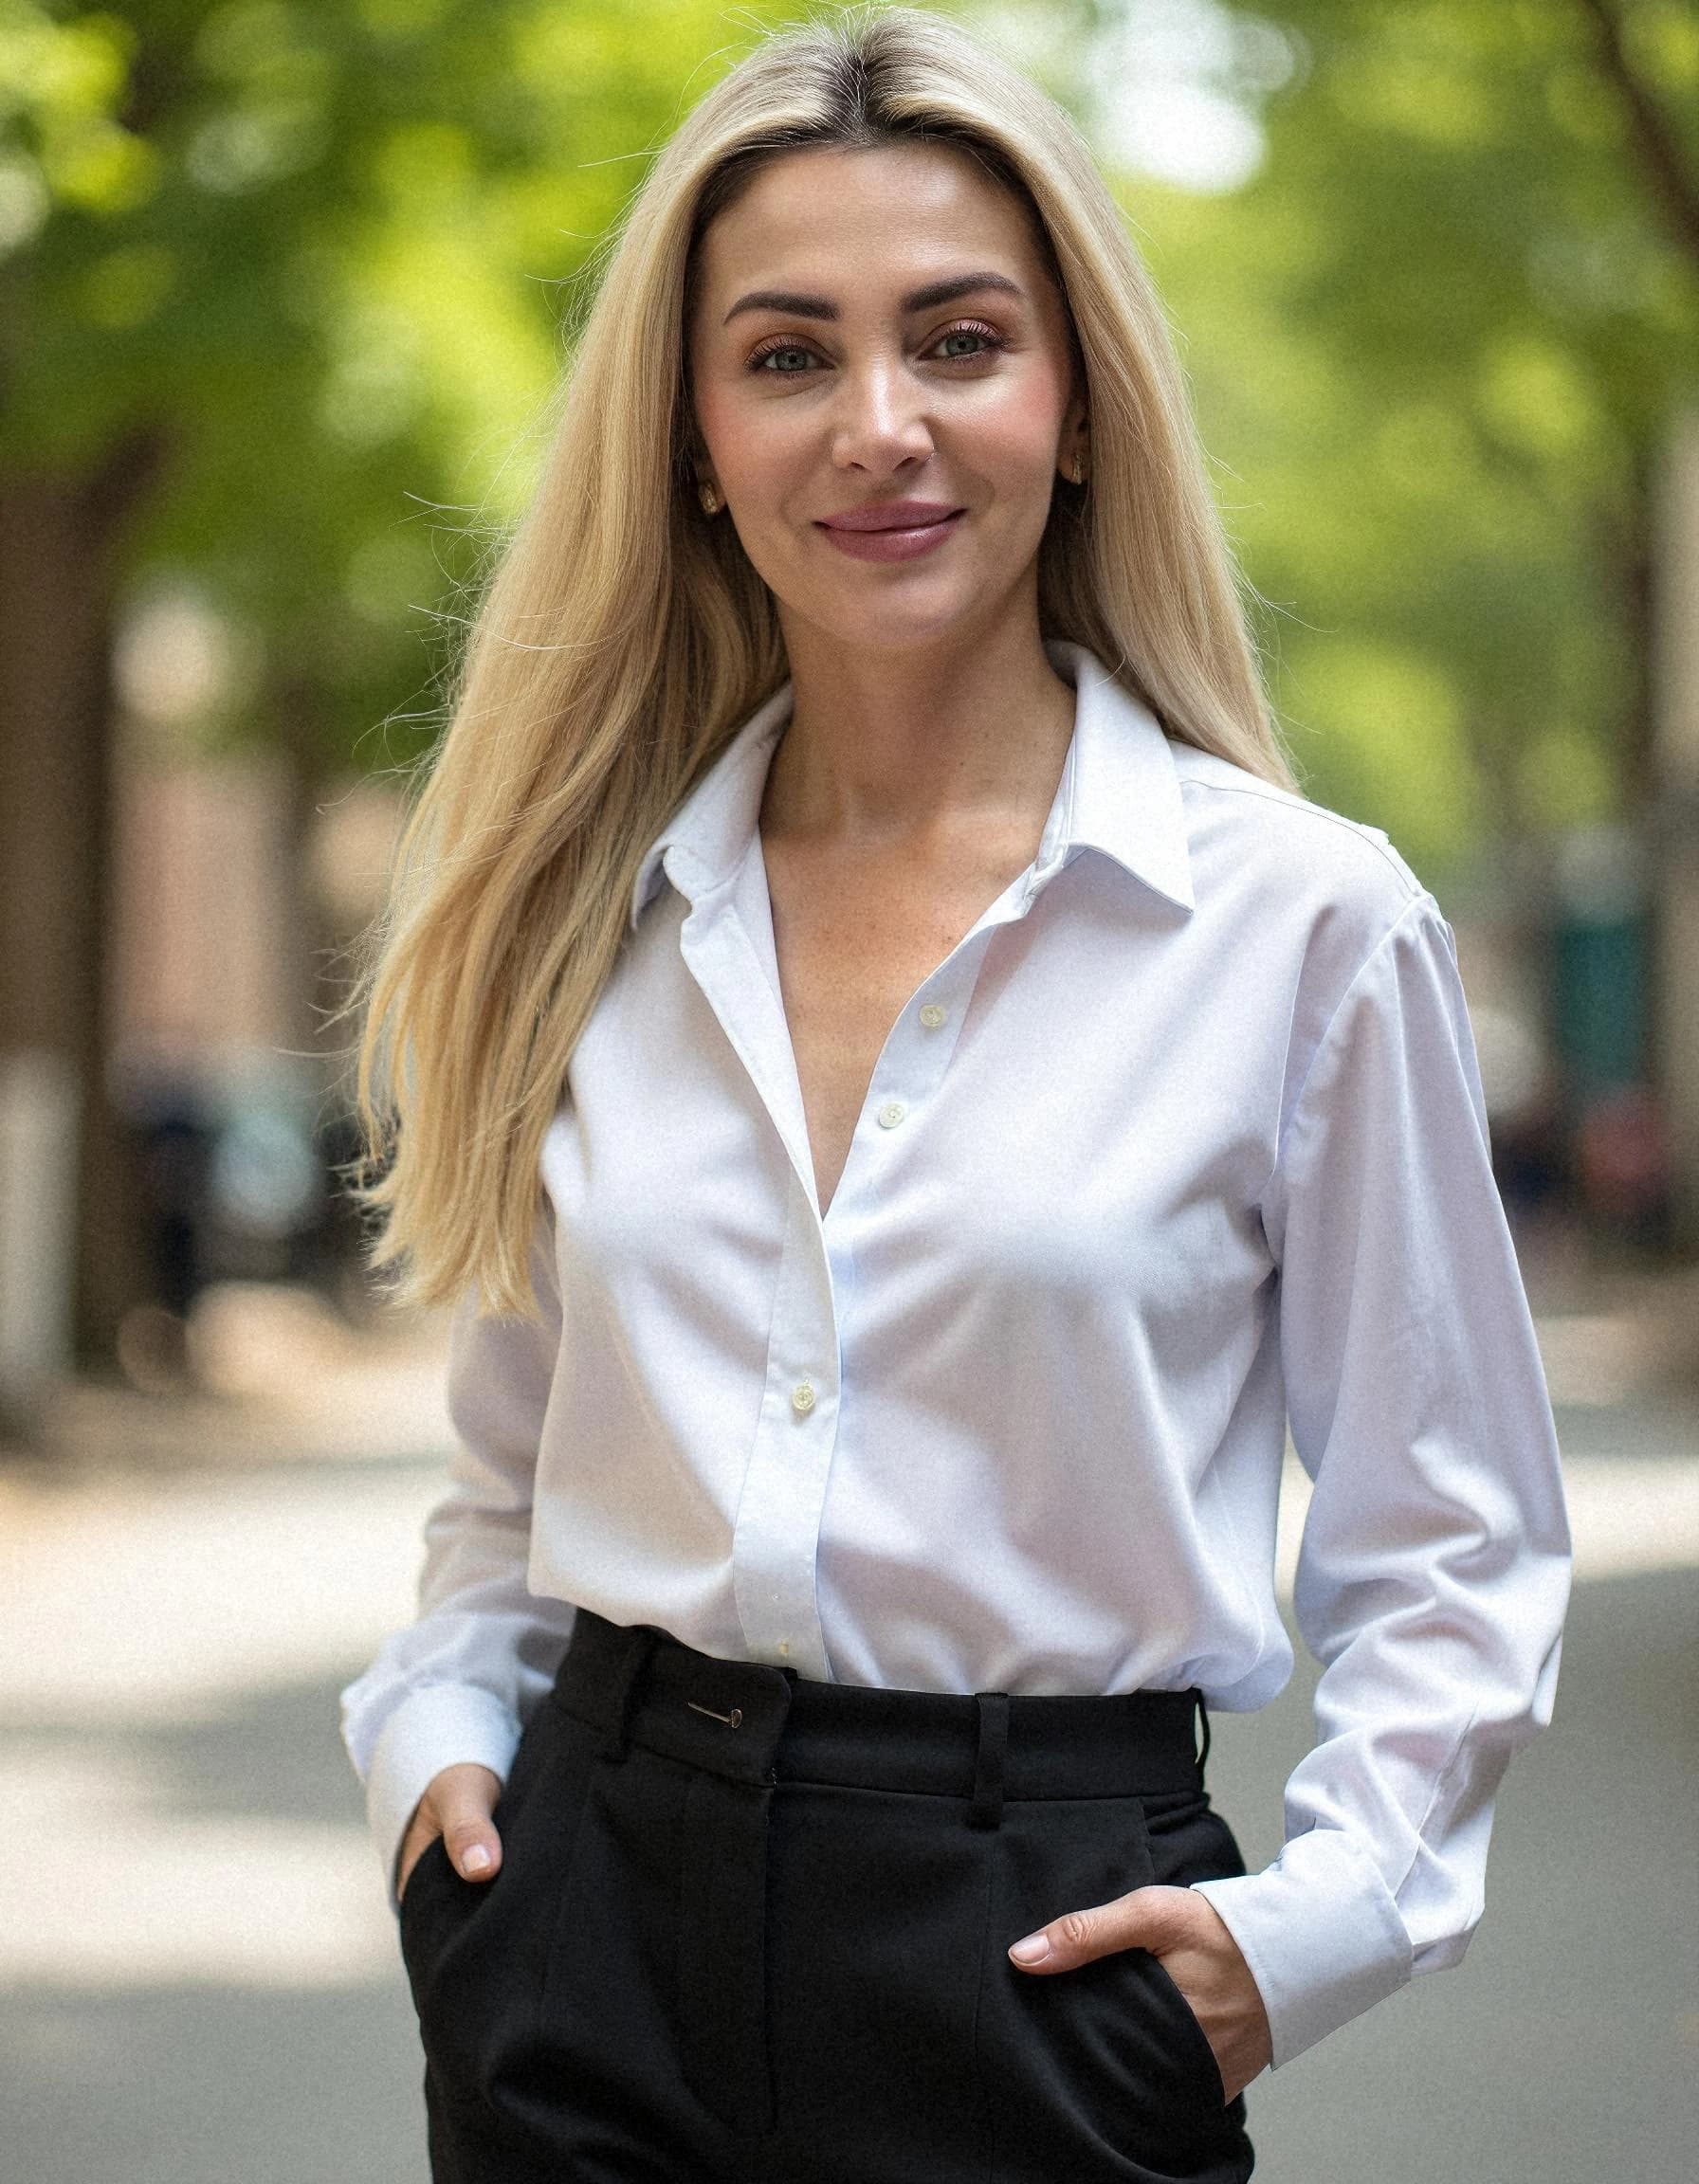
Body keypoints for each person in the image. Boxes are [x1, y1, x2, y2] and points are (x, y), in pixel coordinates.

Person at [338, 9, 1572, 2180]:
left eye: (958, 341)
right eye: (786, 355)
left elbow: (1451, 1537)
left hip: (1036, 1974)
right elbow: (512, 1483)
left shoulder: (1299, 929)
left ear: (1075, 404)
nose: (877, 427)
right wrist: (436, 1749)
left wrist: (1306, 1933)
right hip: (582, 1947)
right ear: (691, 436)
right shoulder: (586, 908)